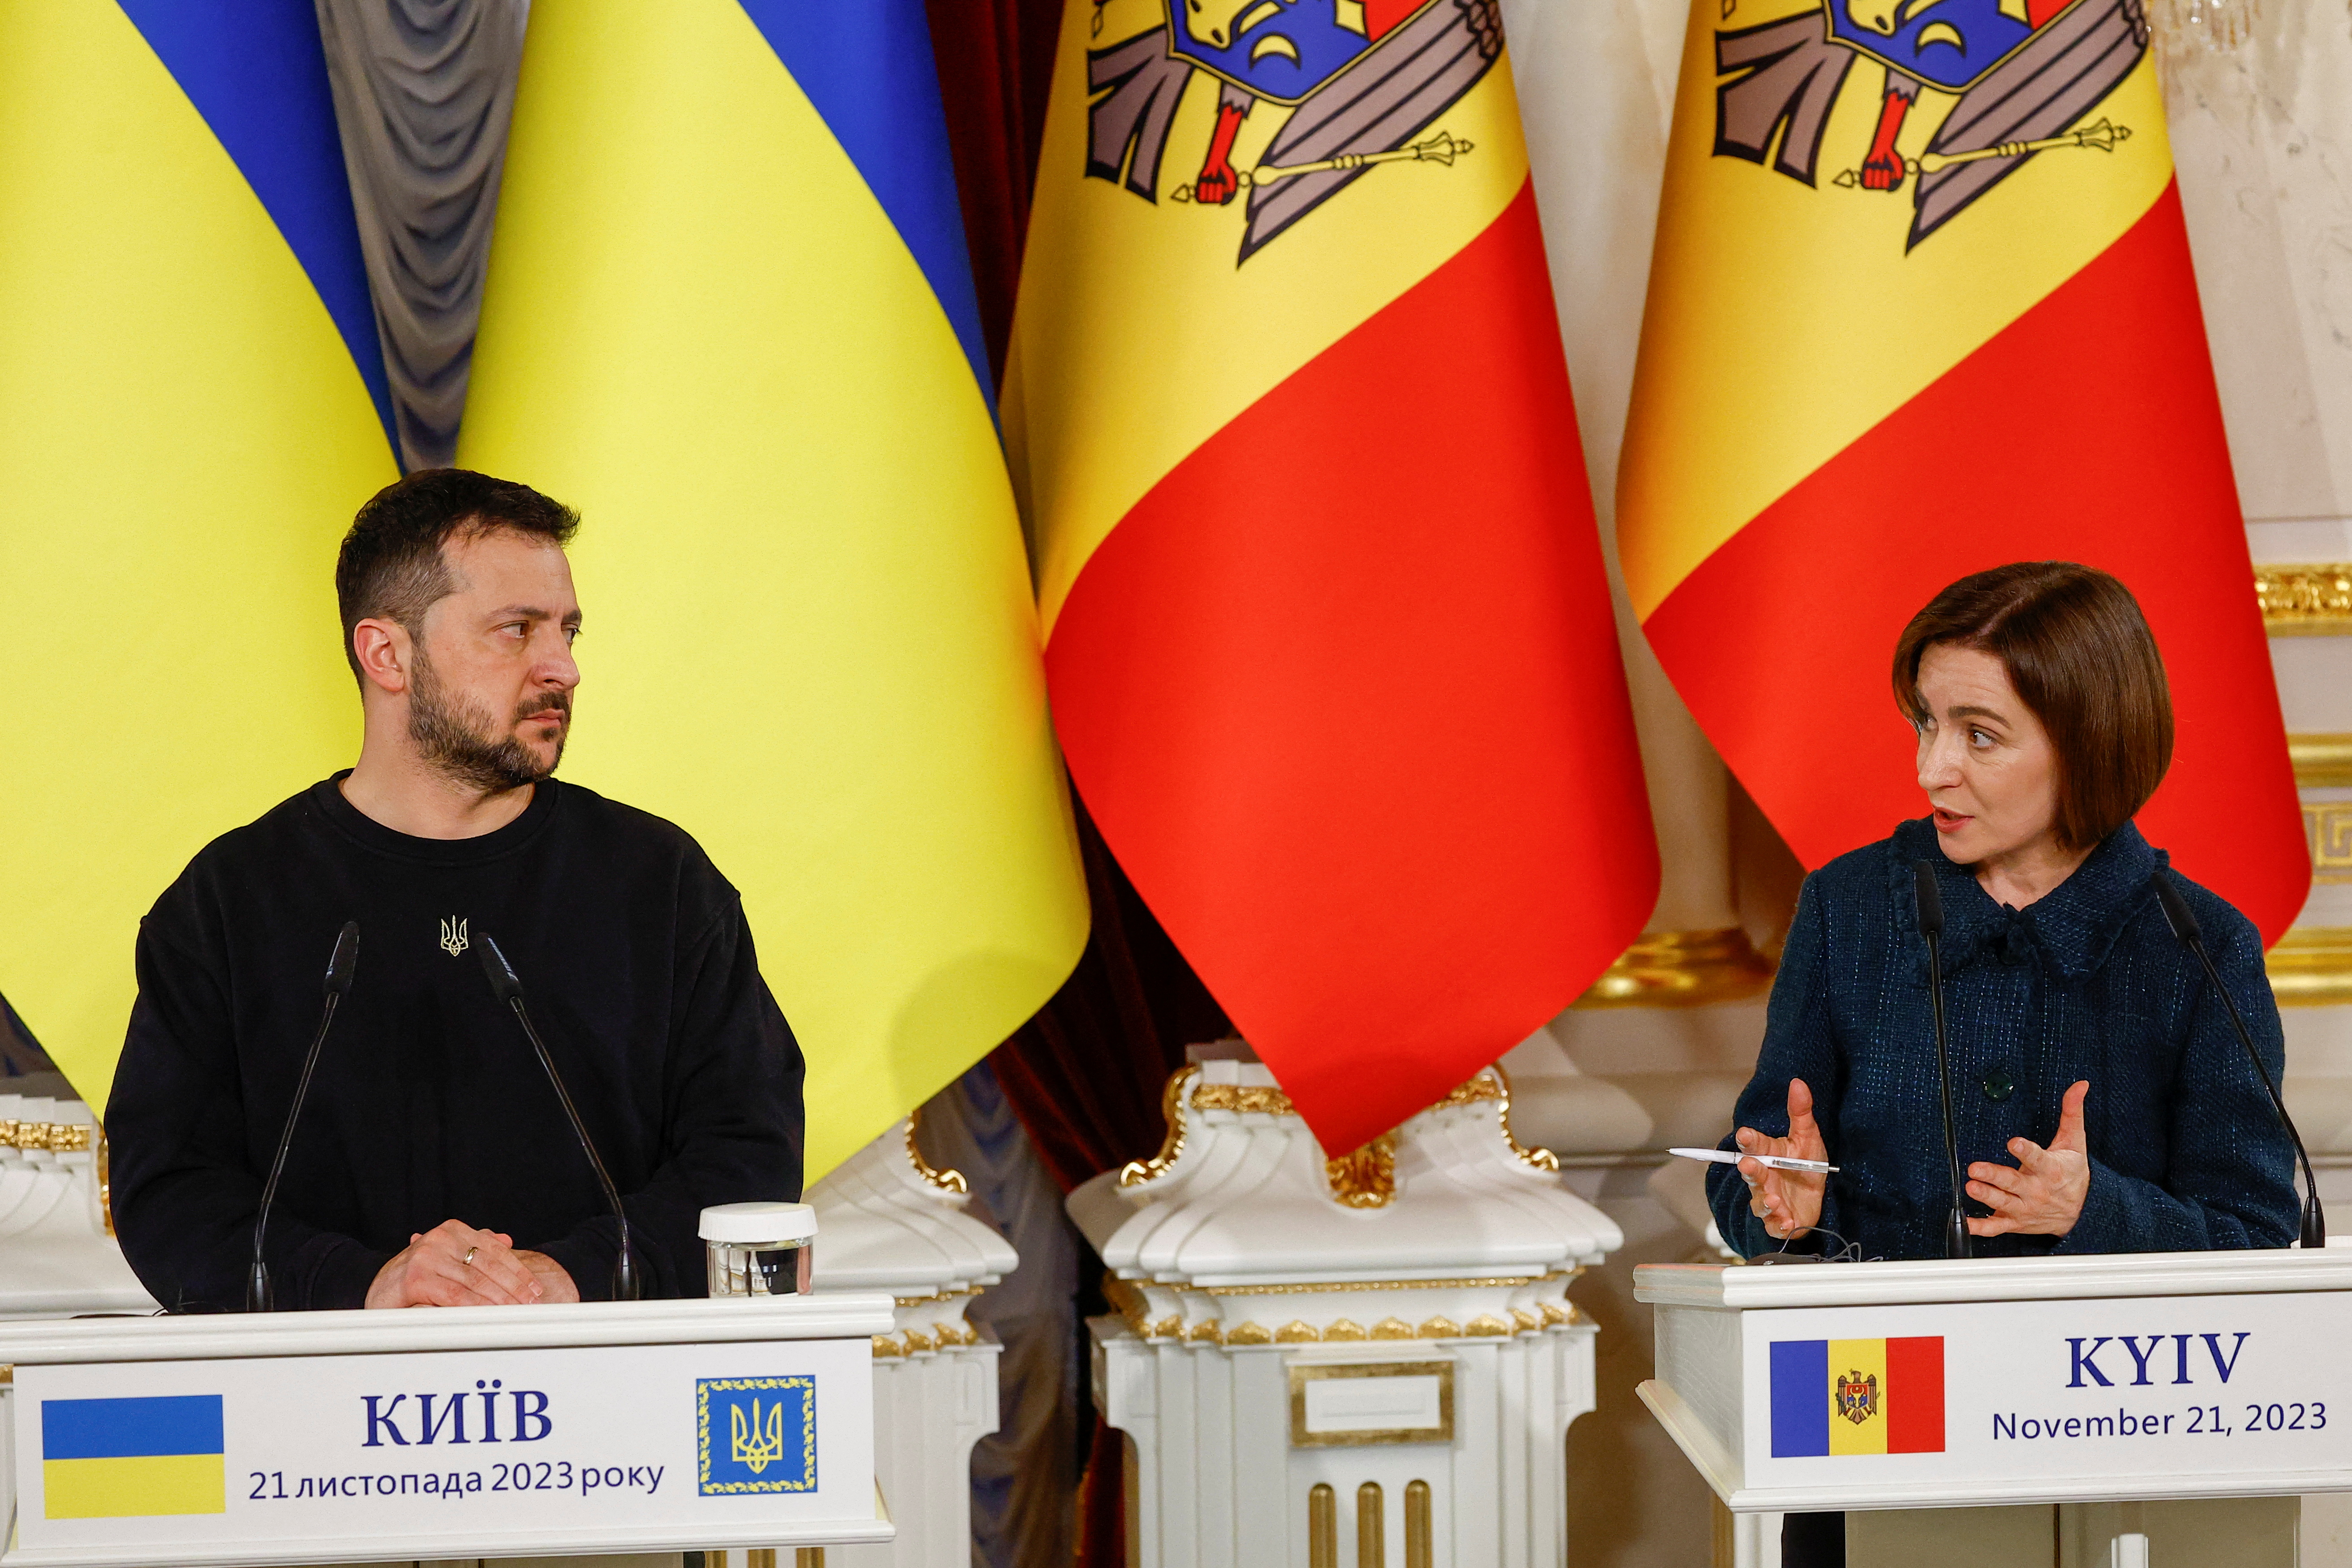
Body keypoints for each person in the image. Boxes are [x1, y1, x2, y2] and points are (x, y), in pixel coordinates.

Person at [1706, 562, 2299, 1567]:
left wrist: (2092, 1209)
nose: (1934, 769)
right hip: (1874, 1448)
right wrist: (1781, 1203)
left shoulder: (2199, 945)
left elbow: (2255, 1232)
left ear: (2088, 742)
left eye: (1978, 734)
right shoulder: (1850, 909)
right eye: (1925, 724)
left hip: (2123, 1463)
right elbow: (1756, 1164)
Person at [108, 470, 804, 1311]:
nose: (564, 668)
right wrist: (362, 1286)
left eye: (568, 631)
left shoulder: (659, 884)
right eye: (516, 631)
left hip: (620, 1407)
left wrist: (569, 1278)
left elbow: (747, 1156)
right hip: (312, 1413)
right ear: (387, 654)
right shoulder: (228, 905)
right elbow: (171, 1192)